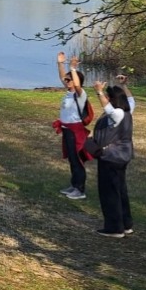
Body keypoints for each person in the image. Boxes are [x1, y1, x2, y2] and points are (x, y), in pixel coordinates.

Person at [86, 81, 135, 238]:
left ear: (114, 99)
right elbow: (131, 100)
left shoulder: (118, 113)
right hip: (121, 156)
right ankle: (126, 224)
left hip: (111, 157)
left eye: (109, 96)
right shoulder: (128, 111)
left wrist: (98, 91)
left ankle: (114, 228)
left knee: (109, 192)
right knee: (120, 190)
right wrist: (124, 85)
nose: (106, 98)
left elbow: (107, 108)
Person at [53, 52, 92, 200]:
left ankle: (80, 189)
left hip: (76, 132)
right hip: (67, 130)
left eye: (69, 79)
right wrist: (60, 64)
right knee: (71, 159)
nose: (66, 80)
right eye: (67, 79)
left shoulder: (80, 95)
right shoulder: (69, 93)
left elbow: (76, 84)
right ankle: (74, 185)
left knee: (77, 160)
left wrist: (73, 69)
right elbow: (63, 77)